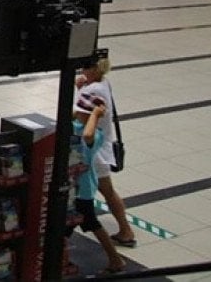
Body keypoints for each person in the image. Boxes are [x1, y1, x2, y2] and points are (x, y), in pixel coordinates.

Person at [76, 55, 136, 247]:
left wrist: (80, 90)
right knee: (107, 191)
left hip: (95, 151)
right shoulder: (104, 82)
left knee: (107, 191)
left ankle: (126, 230)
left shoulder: (93, 89)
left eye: (85, 68)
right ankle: (125, 229)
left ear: (95, 70)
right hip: (102, 144)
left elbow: (80, 116)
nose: (82, 71)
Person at [70, 91, 126, 274]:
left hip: (84, 189)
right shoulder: (77, 125)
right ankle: (60, 258)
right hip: (73, 187)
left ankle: (116, 260)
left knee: (91, 223)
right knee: (67, 224)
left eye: (81, 112)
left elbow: (87, 136)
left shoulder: (97, 135)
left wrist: (94, 114)